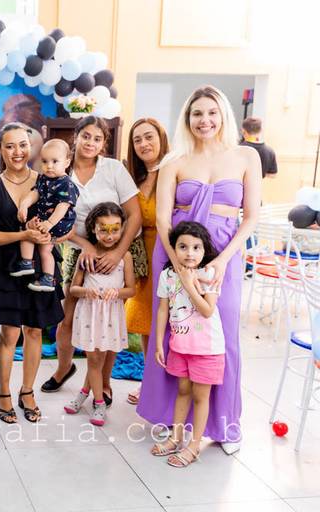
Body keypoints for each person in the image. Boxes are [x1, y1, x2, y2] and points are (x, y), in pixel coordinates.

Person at [138, 85, 261, 455]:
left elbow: (250, 217)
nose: (204, 120)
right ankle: (170, 417)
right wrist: (178, 266)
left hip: (225, 250)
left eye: (211, 112)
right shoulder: (174, 161)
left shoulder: (246, 156)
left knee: (223, 336)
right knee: (173, 330)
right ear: (187, 119)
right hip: (177, 250)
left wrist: (221, 260)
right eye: (197, 114)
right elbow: (163, 219)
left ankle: (224, 423)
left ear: (223, 115)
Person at [41, 116, 142, 407]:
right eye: (86, 136)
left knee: (109, 319)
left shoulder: (113, 169)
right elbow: (54, 216)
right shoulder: (61, 168)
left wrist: (117, 252)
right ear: (76, 137)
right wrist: (86, 245)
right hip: (78, 248)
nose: (90, 143)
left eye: (97, 139)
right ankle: (64, 368)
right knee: (67, 319)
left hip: (117, 249)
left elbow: (134, 214)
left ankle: (104, 382)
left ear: (104, 143)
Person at [0, 122, 66, 424]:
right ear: (0, 149)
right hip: (7, 266)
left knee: (35, 331)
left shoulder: (47, 180)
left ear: (31, 147)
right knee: (9, 333)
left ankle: (27, 391)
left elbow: (65, 221)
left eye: (23, 145)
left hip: (41, 265)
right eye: (10, 146)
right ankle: (3, 393)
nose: (17, 151)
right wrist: (23, 236)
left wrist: (49, 234)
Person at [151, 222, 224, 467]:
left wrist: (189, 283)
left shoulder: (209, 274)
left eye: (196, 247)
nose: (189, 253)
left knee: (200, 396)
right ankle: (176, 438)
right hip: (179, 345)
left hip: (207, 349)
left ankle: (194, 446)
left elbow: (207, 310)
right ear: (174, 249)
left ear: (204, 250)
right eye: (183, 247)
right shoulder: (167, 275)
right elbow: (163, 310)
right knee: (183, 391)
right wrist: (159, 344)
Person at [63, 203, 135, 426]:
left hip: (110, 315)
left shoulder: (125, 257)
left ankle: (83, 393)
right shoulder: (86, 256)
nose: (109, 235)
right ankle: (99, 402)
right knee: (94, 359)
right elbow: (73, 289)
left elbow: (131, 289)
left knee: (99, 359)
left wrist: (117, 292)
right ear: (93, 229)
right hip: (89, 314)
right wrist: (87, 291)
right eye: (103, 229)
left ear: (122, 229)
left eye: (115, 229)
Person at [124, 118, 170, 405]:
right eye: (137, 139)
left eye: (149, 137)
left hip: (167, 252)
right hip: (142, 255)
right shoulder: (134, 177)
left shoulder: (174, 170)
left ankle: (169, 382)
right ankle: (149, 380)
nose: (144, 144)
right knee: (145, 320)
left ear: (161, 137)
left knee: (168, 320)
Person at [13, 139, 78, 292]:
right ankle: (29, 264)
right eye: (45, 161)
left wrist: (49, 223)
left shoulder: (66, 184)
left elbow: (62, 207)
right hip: (45, 218)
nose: (49, 166)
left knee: (43, 246)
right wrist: (24, 204)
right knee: (29, 233)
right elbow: (35, 193)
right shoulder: (43, 179)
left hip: (60, 222)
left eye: (55, 161)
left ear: (67, 162)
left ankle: (46, 277)